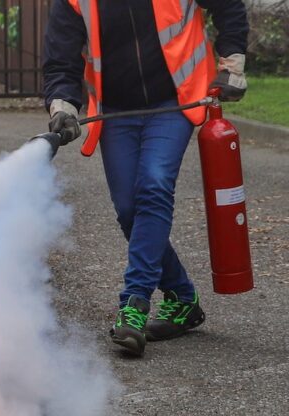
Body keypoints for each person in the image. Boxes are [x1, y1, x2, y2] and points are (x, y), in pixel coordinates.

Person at [42, 0, 249, 356]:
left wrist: (232, 63)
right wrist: (63, 104)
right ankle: (183, 298)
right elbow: (61, 55)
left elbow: (228, 5)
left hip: (176, 102)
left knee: (153, 187)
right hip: (117, 111)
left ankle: (133, 304)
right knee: (128, 210)